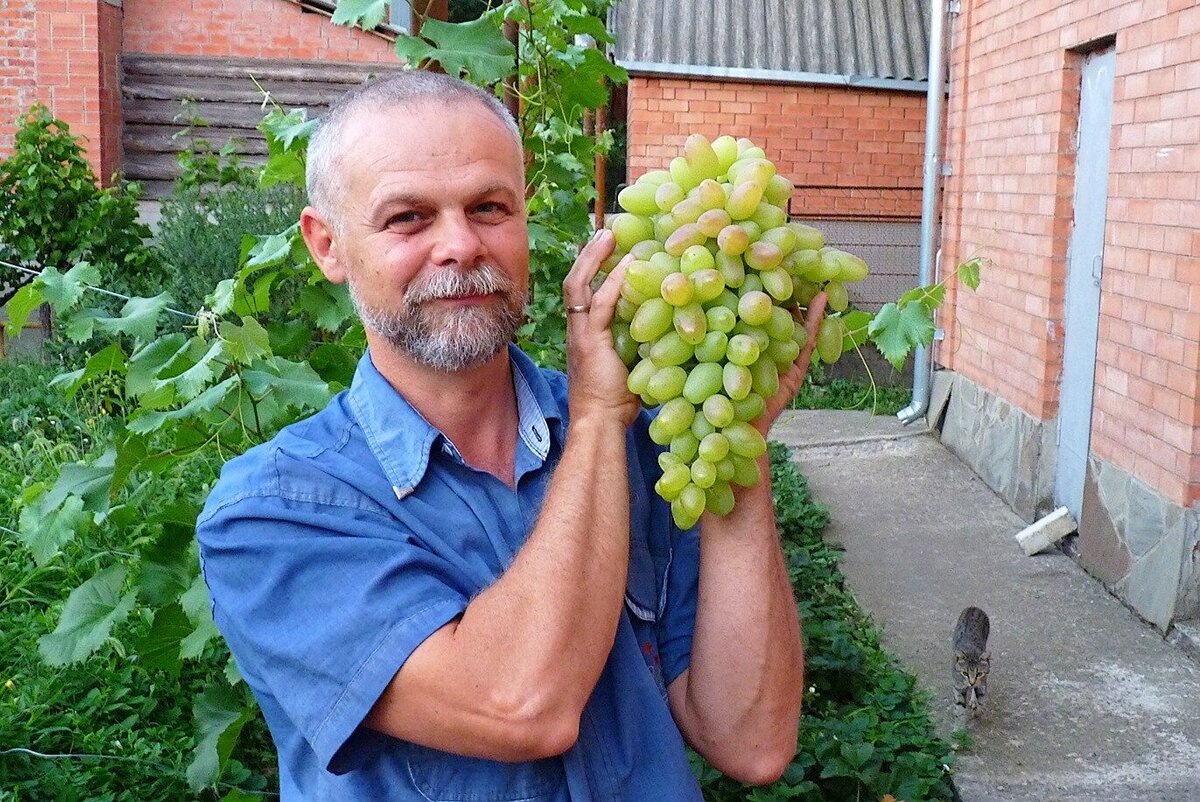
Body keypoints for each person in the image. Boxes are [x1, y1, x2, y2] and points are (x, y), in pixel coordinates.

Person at [197, 70, 819, 800]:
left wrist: (737, 450)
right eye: (408, 218)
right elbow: (524, 705)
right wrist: (592, 420)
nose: (460, 245)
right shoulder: (273, 513)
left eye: (489, 207)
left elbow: (751, 741)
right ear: (327, 245)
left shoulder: (643, 441)